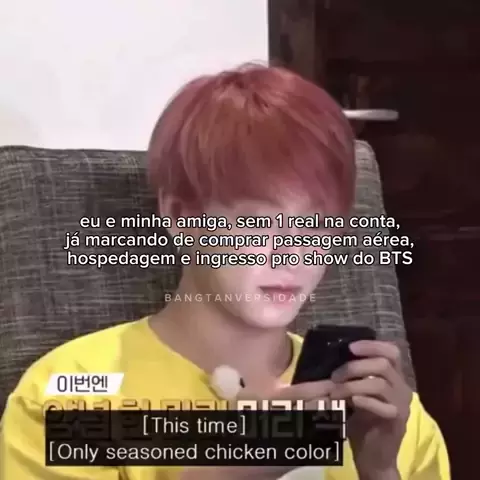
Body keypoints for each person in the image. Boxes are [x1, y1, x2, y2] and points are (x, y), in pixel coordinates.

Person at [0, 64, 449, 480]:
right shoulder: (75, 394)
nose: (292, 254)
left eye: (315, 224)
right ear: (181, 216)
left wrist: (381, 472)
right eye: (257, 222)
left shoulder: (385, 413)